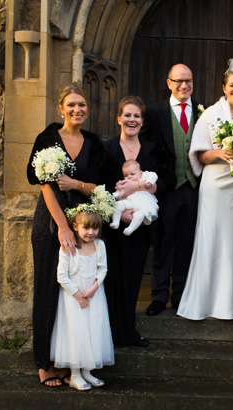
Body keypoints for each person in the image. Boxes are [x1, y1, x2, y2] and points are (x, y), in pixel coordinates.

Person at [27, 85, 108, 387]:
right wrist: (62, 226)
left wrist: (75, 183)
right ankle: (44, 363)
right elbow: (44, 184)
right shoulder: (47, 139)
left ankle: (69, 360)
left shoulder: (94, 144)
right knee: (49, 288)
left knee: (75, 295)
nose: (77, 110)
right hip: (51, 224)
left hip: (84, 225)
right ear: (61, 108)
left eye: (83, 105)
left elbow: (98, 187)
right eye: (72, 105)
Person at [177, 57, 233, 320]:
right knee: (212, 240)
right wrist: (221, 152)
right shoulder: (210, 114)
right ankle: (206, 302)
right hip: (216, 186)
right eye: (232, 85)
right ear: (224, 87)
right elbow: (199, 155)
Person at [103, 96, 173, 347]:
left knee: (132, 278)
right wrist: (118, 213)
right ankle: (109, 333)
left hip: (140, 226)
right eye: (127, 115)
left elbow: (167, 180)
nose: (132, 120)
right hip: (113, 224)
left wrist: (145, 186)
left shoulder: (153, 150)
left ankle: (127, 333)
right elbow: (99, 187)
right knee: (111, 277)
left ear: (143, 121)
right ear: (118, 118)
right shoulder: (107, 148)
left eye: (137, 116)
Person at [140, 64, 203, 316]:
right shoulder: (154, 112)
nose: (184, 85)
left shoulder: (202, 110)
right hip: (166, 189)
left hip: (194, 187)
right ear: (169, 83)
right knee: (163, 243)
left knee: (186, 243)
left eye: (188, 81)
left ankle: (180, 296)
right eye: (178, 81)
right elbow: (143, 146)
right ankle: (158, 297)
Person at [51, 208, 114, 391]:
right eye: (86, 228)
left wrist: (94, 287)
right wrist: (77, 295)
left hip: (94, 295)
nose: (90, 232)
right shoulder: (69, 247)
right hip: (73, 298)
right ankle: (75, 375)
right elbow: (61, 276)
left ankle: (87, 371)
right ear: (75, 227)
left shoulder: (99, 245)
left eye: (94, 229)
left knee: (93, 330)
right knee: (76, 332)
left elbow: (103, 269)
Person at [109, 160, 159, 236]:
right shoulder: (125, 183)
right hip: (129, 202)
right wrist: (118, 188)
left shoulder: (144, 176)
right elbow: (118, 195)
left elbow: (154, 175)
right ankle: (116, 221)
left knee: (140, 215)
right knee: (118, 205)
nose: (129, 177)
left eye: (132, 174)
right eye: (126, 175)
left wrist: (150, 182)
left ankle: (131, 228)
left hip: (142, 204)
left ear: (140, 173)